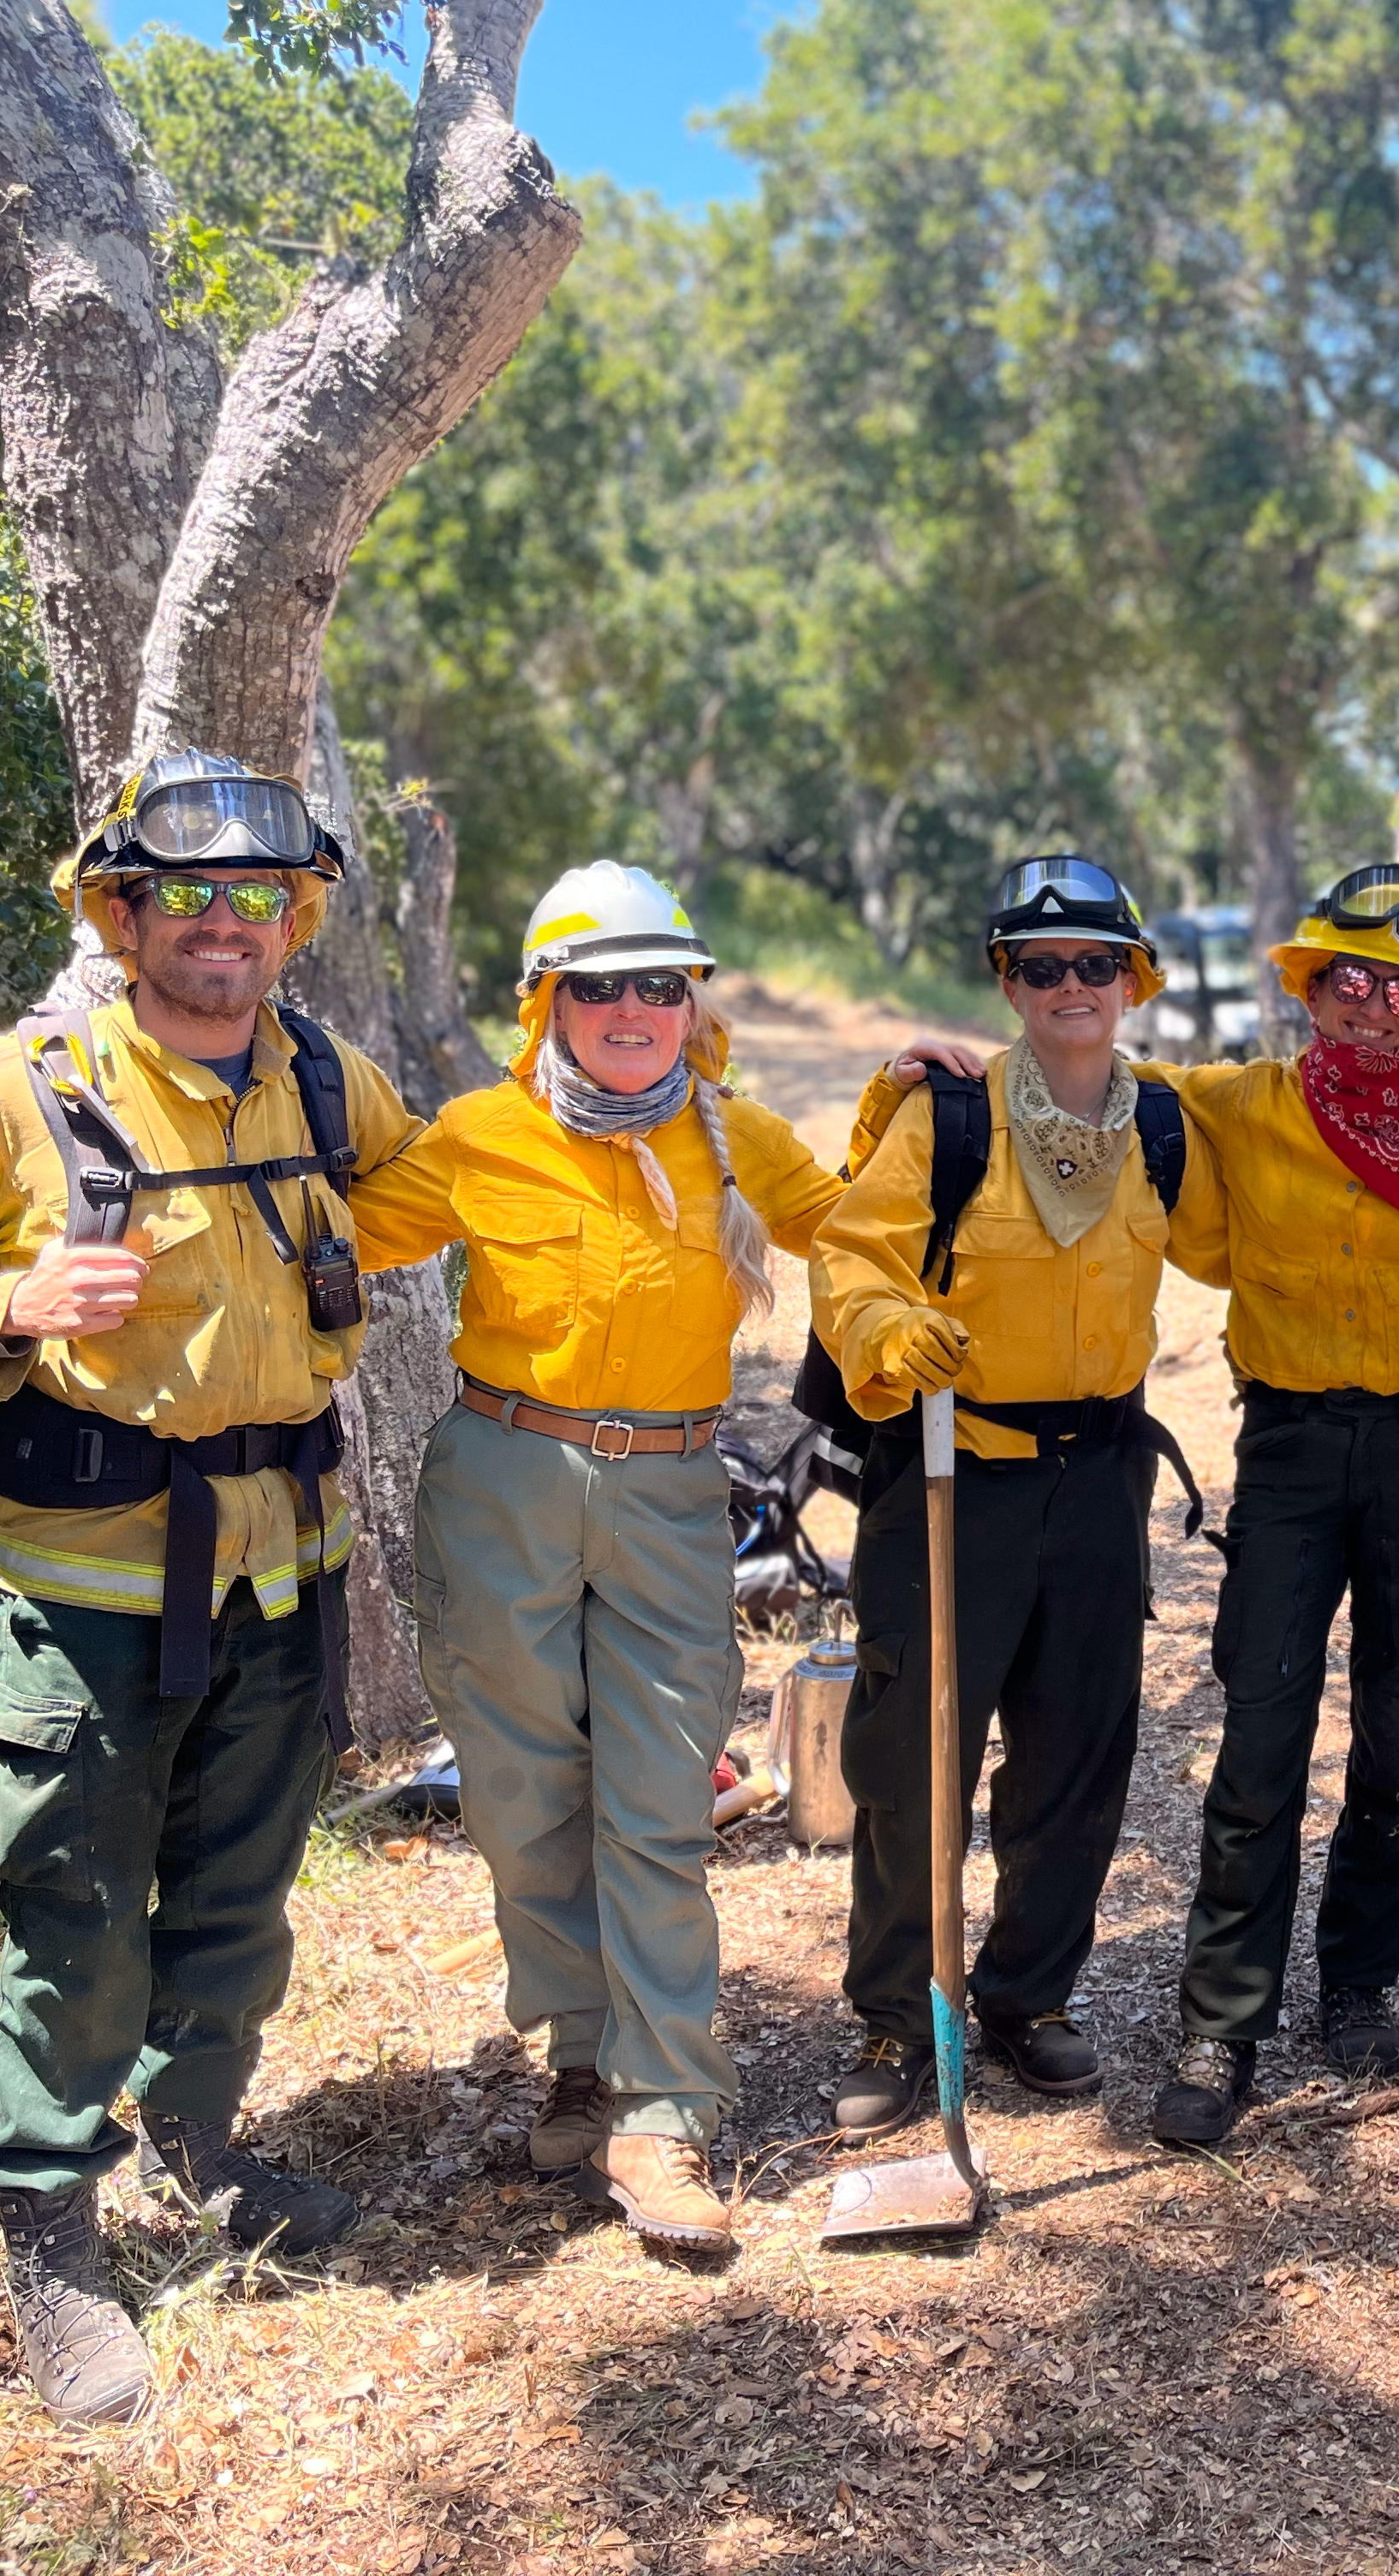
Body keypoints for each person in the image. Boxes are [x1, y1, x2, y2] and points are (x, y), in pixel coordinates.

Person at [0, 750, 423, 2421]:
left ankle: (202, 2146)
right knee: (78, 1913)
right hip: (87, 1581)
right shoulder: (14, 1092)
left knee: (239, 1896)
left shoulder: (324, 1078)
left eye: (257, 897)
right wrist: (7, 1304)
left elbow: (431, 1182)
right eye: (189, 895)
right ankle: (52, 2235)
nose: (223, 925)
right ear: (124, 910)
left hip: (285, 1567)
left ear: (294, 920)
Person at [353, 865, 839, 2250]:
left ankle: (665, 2111)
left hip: (671, 1490)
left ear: (692, 1001)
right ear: (547, 1004)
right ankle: (581, 2051)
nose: (631, 1008)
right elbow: (329, 1227)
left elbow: (866, 1225)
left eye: (659, 985)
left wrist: (928, 1109)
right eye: (599, 985)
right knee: (522, 1795)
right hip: (501, 1477)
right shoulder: (480, 1134)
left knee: (660, 1796)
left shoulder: (741, 1138)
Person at [807, 856, 1219, 2132]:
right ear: (1009, 981)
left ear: (1135, 979)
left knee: (1077, 1751)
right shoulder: (949, 1117)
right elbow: (852, 1256)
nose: (1070, 986)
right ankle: (896, 2014)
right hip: (954, 1472)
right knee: (913, 1754)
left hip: (1099, 1480)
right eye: (1042, 967)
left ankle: (1029, 1997)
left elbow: (1257, 1235)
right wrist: (887, 1332)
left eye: (1097, 963)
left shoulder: (1166, 1127)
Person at [1146, 863, 1399, 2144]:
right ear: (1308, 990)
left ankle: (1359, 1984)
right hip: (1292, 1450)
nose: (1374, 1007)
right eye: (1350, 981)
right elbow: (1090, 1078)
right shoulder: (1234, 1103)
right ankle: (1224, 2020)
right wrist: (931, 1073)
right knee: (1262, 1729)